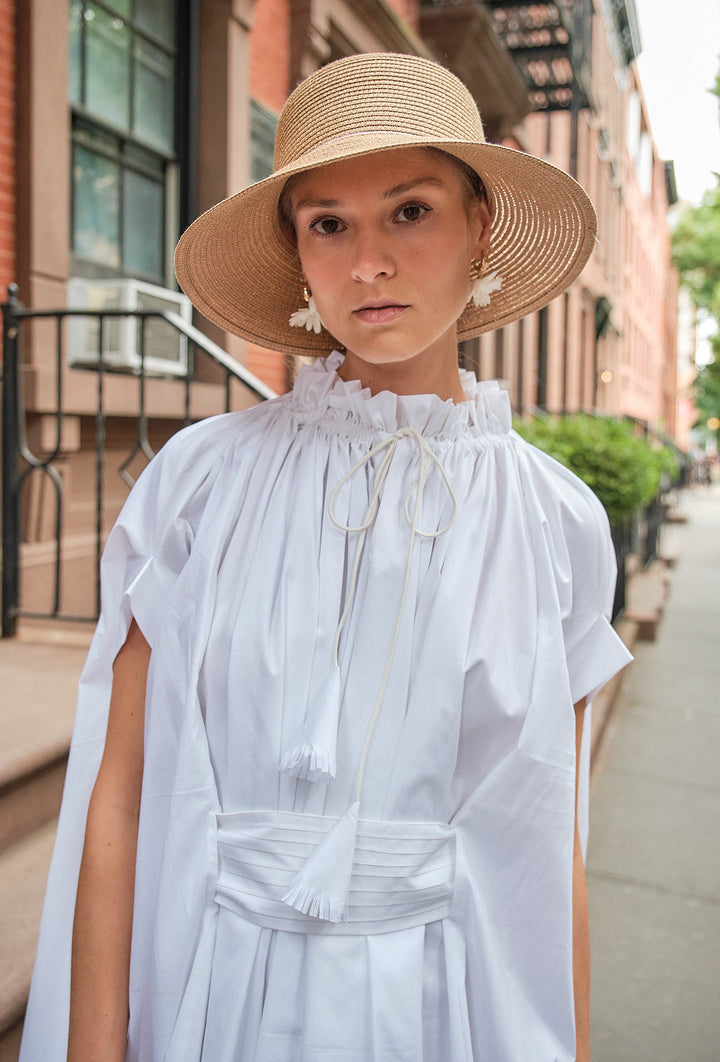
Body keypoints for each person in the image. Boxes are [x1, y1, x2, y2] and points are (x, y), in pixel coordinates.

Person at [20, 52, 632, 1062]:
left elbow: (546, 847)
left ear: (480, 226)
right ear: (298, 253)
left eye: (411, 211)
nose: (369, 264)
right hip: (213, 997)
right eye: (329, 223)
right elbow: (120, 794)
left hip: (446, 1010)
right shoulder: (200, 486)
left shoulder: (554, 524)